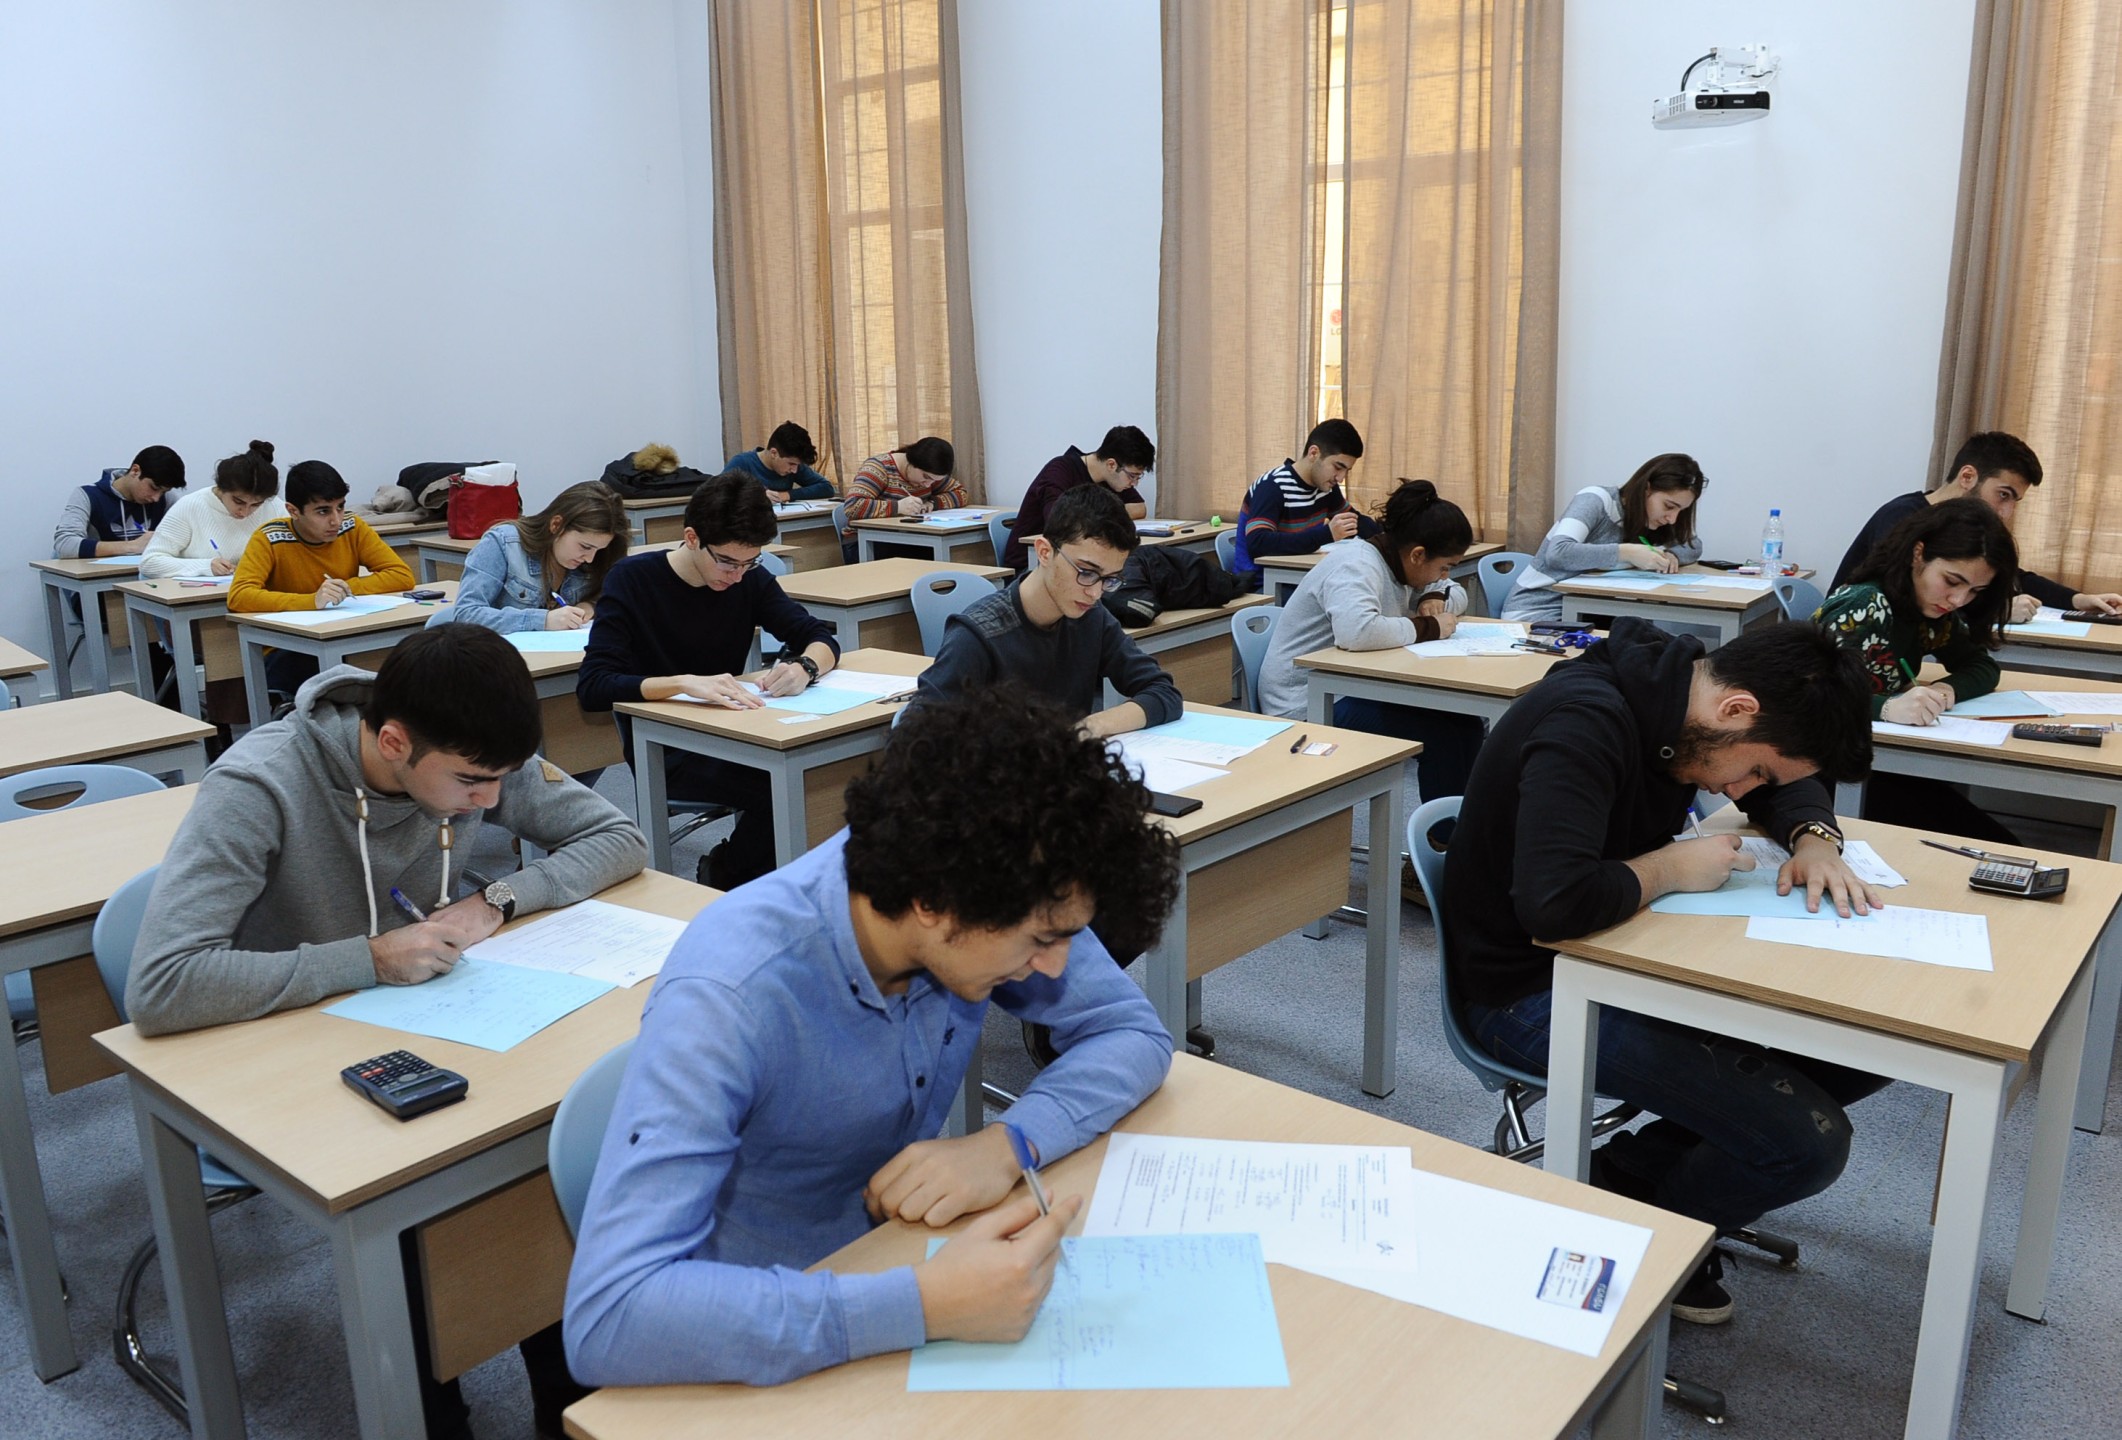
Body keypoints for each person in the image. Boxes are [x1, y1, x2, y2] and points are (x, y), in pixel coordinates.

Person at [563, 685, 1180, 1389]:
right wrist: (925, 1304)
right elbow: (610, 1317)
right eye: (1041, 940)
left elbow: (1130, 1031)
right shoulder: (731, 995)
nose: (1058, 967)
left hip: (899, 1260)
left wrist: (1010, 1142)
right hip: (753, 1329)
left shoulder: (985, 875)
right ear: (932, 903)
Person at [127, 623, 648, 1440]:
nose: (491, 803)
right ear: (395, 741)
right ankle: (433, 1413)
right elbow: (162, 985)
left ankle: (570, 1407)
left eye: (500, 781)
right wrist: (367, 959)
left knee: (541, 1159)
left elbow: (620, 837)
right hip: (286, 1054)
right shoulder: (259, 784)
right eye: (472, 783)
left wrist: (496, 900)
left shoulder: (475, 749)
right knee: (427, 1211)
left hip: (429, 1025)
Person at [1443, 618, 1887, 1326]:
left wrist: (1814, 837)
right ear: (1735, 709)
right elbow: (1553, 904)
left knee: (1868, 1044)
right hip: (1526, 994)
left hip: (1627, 960)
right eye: (1754, 771)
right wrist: (1670, 867)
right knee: (1807, 1146)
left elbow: (1787, 786)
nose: (1744, 791)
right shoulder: (1584, 722)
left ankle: (1632, 1183)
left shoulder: (1690, 708)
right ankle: (1650, 1243)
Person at [578, 473, 841, 889]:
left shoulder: (749, 578)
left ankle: (749, 877)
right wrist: (682, 683)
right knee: (792, 784)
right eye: (727, 562)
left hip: (739, 733)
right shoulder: (632, 579)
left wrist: (805, 667)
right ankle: (730, 877)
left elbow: (818, 636)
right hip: (669, 748)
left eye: (750, 562)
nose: (737, 575)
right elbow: (594, 686)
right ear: (692, 538)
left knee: (831, 768)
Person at [1255, 480, 1480, 841]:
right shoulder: (1356, 565)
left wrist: (1436, 595)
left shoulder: (1402, 562)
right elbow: (1357, 632)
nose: (1445, 576)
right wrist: (1429, 626)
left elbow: (1455, 595)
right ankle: (1440, 848)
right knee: (1442, 737)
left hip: (1355, 687)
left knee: (1466, 723)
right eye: (1444, 567)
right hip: (1307, 703)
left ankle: (1462, 839)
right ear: (1418, 555)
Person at [1818, 498, 2021, 843]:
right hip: (1826, 772)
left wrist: (1945, 691)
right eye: (1952, 581)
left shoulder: (1929, 612)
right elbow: (1811, 697)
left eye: (1975, 591)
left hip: (1882, 761)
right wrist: (1886, 707)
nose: (1958, 600)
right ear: (1918, 554)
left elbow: (1981, 665)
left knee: (1999, 844)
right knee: (1988, 845)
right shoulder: (1864, 605)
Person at [918, 483, 1180, 738]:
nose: (1095, 593)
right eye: (1086, 572)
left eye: (1109, 579)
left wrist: (1093, 726)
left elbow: (1162, 691)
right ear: (1044, 552)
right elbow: (919, 733)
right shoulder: (978, 636)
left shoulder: (1091, 617)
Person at [1829, 431, 2122, 621]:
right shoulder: (1902, 517)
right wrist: (1997, 613)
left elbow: (2012, 576)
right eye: (2003, 495)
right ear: (1968, 477)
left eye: (2015, 501)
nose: (2006, 512)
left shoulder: (1961, 525)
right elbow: (1905, 600)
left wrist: (2076, 599)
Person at [228, 459, 417, 698]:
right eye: (323, 511)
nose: (336, 520)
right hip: (290, 645)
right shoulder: (269, 538)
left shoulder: (352, 527)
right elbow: (239, 596)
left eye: (340, 507)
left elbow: (401, 575)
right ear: (293, 511)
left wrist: (347, 587)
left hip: (345, 632)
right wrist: (311, 600)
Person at [1501, 453, 1706, 622]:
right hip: (1538, 612)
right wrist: (1626, 552)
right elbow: (1558, 552)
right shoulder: (1596, 499)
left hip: (1593, 609)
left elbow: (1693, 545)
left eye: (1680, 511)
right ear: (1647, 489)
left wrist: (1672, 555)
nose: (1672, 519)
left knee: (1648, 642)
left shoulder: (1652, 521)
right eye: (1669, 506)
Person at [431, 481, 628, 634]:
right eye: (585, 547)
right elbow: (467, 614)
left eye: (598, 550)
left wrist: (590, 606)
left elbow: (615, 597)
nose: (590, 559)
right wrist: (543, 620)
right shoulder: (502, 544)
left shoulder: (599, 556)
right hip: (501, 659)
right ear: (556, 525)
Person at [1229, 418, 1378, 580]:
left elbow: (1355, 522)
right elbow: (1258, 543)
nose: (1341, 478)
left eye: (1346, 471)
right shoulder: (1272, 486)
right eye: (1337, 467)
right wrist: (1326, 534)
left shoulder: (1326, 488)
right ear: (1313, 453)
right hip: (1263, 582)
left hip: (1303, 577)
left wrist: (1389, 534)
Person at [1000, 425, 1154, 570]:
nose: (1134, 483)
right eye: (1132, 476)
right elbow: (1059, 521)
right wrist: (1106, 516)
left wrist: (1096, 517)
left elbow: (1139, 508)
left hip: (1082, 558)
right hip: (1034, 563)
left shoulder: (1111, 479)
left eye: (1138, 477)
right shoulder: (1060, 471)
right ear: (1111, 465)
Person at [140, 439, 284, 578]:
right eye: (238, 501)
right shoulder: (190, 506)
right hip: (200, 593)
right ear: (221, 488)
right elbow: (150, 562)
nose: (245, 512)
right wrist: (206, 566)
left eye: (256, 505)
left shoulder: (275, 507)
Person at [839, 436, 965, 562]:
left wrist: (932, 504)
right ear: (912, 462)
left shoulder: (930, 475)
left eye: (934, 481)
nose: (927, 485)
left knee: (951, 552)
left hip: (909, 538)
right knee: (930, 558)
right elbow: (852, 506)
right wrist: (898, 507)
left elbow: (961, 493)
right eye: (926, 477)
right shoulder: (879, 468)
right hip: (866, 542)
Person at [53, 444, 185, 559]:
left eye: (163, 492)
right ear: (135, 471)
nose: (156, 498)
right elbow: (65, 544)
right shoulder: (87, 495)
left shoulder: (166, 499)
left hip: (146, 574)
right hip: (97, 576)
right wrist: (132, 546)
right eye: (154, 488)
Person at [723, 421, 836, 502]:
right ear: (774, 453)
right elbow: (718, 494)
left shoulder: (795, 464)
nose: (794, 470)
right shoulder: (742, 463)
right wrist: (756, 495)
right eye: (791, 464)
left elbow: (826, 488)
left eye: (797, 465)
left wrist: (786, 495)